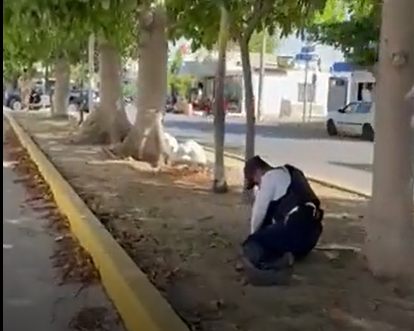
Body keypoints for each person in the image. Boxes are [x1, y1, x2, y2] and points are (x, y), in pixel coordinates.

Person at [242, 156, 324, 273]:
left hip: (295, 228)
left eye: (256, 183)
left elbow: (258, 213)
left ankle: (274, 264)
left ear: (258, 172)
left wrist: (254, 237)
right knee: (272, 237)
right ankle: (285, 257)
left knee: (254, 242)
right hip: (312, 235)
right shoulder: (291, 174)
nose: (258, 187)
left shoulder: (269, 177)